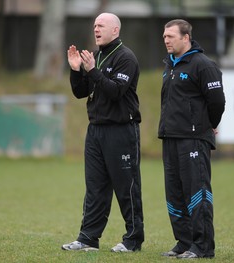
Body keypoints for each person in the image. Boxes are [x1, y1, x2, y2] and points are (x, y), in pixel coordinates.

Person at [62, 13, 144, 253]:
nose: (96, 29)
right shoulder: (96, 56)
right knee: (95, 187)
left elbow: (116, 91)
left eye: (101, 26)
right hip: (96, 131)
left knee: (126, 187)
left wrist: (92, 71)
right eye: (94, 25)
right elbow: (80, 92)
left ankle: (133, 239)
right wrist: (77, 70)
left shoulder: (125, 57)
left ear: (115, 30)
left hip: (121, 131)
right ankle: (88, 238)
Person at [158, 19, 225, 259]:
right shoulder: (170, 65)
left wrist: (209, 124)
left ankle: (203, 246)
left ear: (186, 38)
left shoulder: (203, 65)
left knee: (197, 192)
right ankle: (184, 242)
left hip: (193, 140)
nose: (166, 40)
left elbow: (217, 101)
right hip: (170, 138)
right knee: (174, 193)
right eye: (164, 36)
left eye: (171, 36)